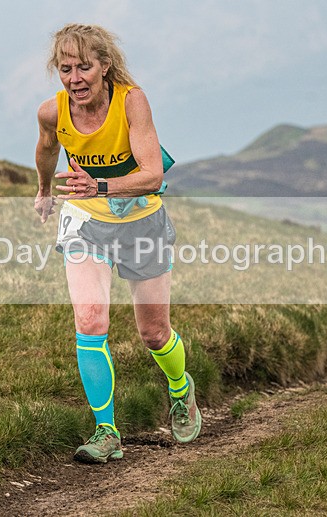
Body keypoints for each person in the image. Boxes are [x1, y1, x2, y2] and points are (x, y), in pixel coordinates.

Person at [33, 23, 201, 463]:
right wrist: (45, 190)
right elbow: (47, 148)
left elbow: (152, 174)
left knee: (153, 332)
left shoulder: (133, 101)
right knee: (90, 320)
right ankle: (106, 432)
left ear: (105, 67)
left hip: (141, 222)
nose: (75, 78)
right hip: (86, 222)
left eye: (84, 67)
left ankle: (181, 390)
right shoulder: (52, 112)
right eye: (66, 69)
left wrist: (101, 187)